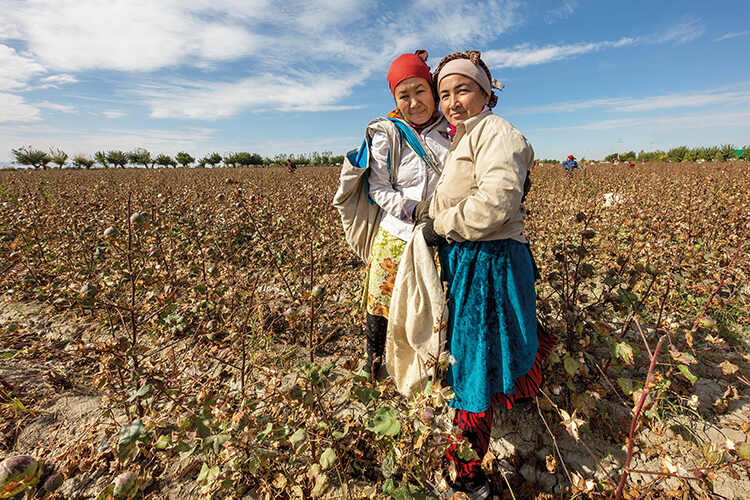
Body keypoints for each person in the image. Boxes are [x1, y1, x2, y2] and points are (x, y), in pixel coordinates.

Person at [420, 50, 556, 499]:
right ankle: (520, 390)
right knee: (492, 348)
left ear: (486, 94)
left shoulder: (497, 132)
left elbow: (496, 202)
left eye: (463, 90)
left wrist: (440, 226)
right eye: (445, 94)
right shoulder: (464, 138)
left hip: (489, 263)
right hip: (473, 259)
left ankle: (467, 474)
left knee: (472, 366)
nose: (453, 101)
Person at [362, 50, 451, 377]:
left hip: (439, 236)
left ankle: (429, 369)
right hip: (396, 233)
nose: (414, 102)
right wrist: (415, 210)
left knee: (431, 304)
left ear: (432, 89)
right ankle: (374, 363)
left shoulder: (452, 129)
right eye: (404, 95)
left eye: (420, 91)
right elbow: (378, 188)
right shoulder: (387, 133)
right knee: (381, 301)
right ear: (395, 99)